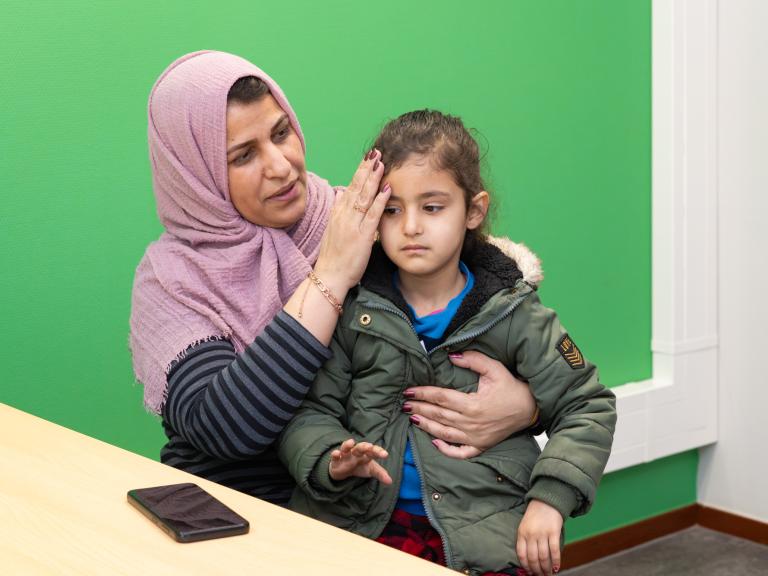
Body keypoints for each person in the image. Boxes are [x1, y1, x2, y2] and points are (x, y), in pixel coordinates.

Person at [129, 51, 539, 507]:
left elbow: (509, 317)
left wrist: (528, 406)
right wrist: (332, 274)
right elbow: (227, 427)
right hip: (234, 513)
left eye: (281, 133)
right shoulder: (171, 280)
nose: (281, 166)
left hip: (359, 507)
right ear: (193, 176)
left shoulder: (354, 218)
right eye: (243, 156)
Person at [278, 110, 617, 576]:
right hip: (360, 522)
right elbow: (309, 411)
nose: (411, 226)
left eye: (432, 207)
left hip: (485, 532)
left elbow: (588, 406)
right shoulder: (351, 307)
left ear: (473, 210)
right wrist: (331, 460)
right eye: (393, 209)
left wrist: (548, 502)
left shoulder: (514, 312)